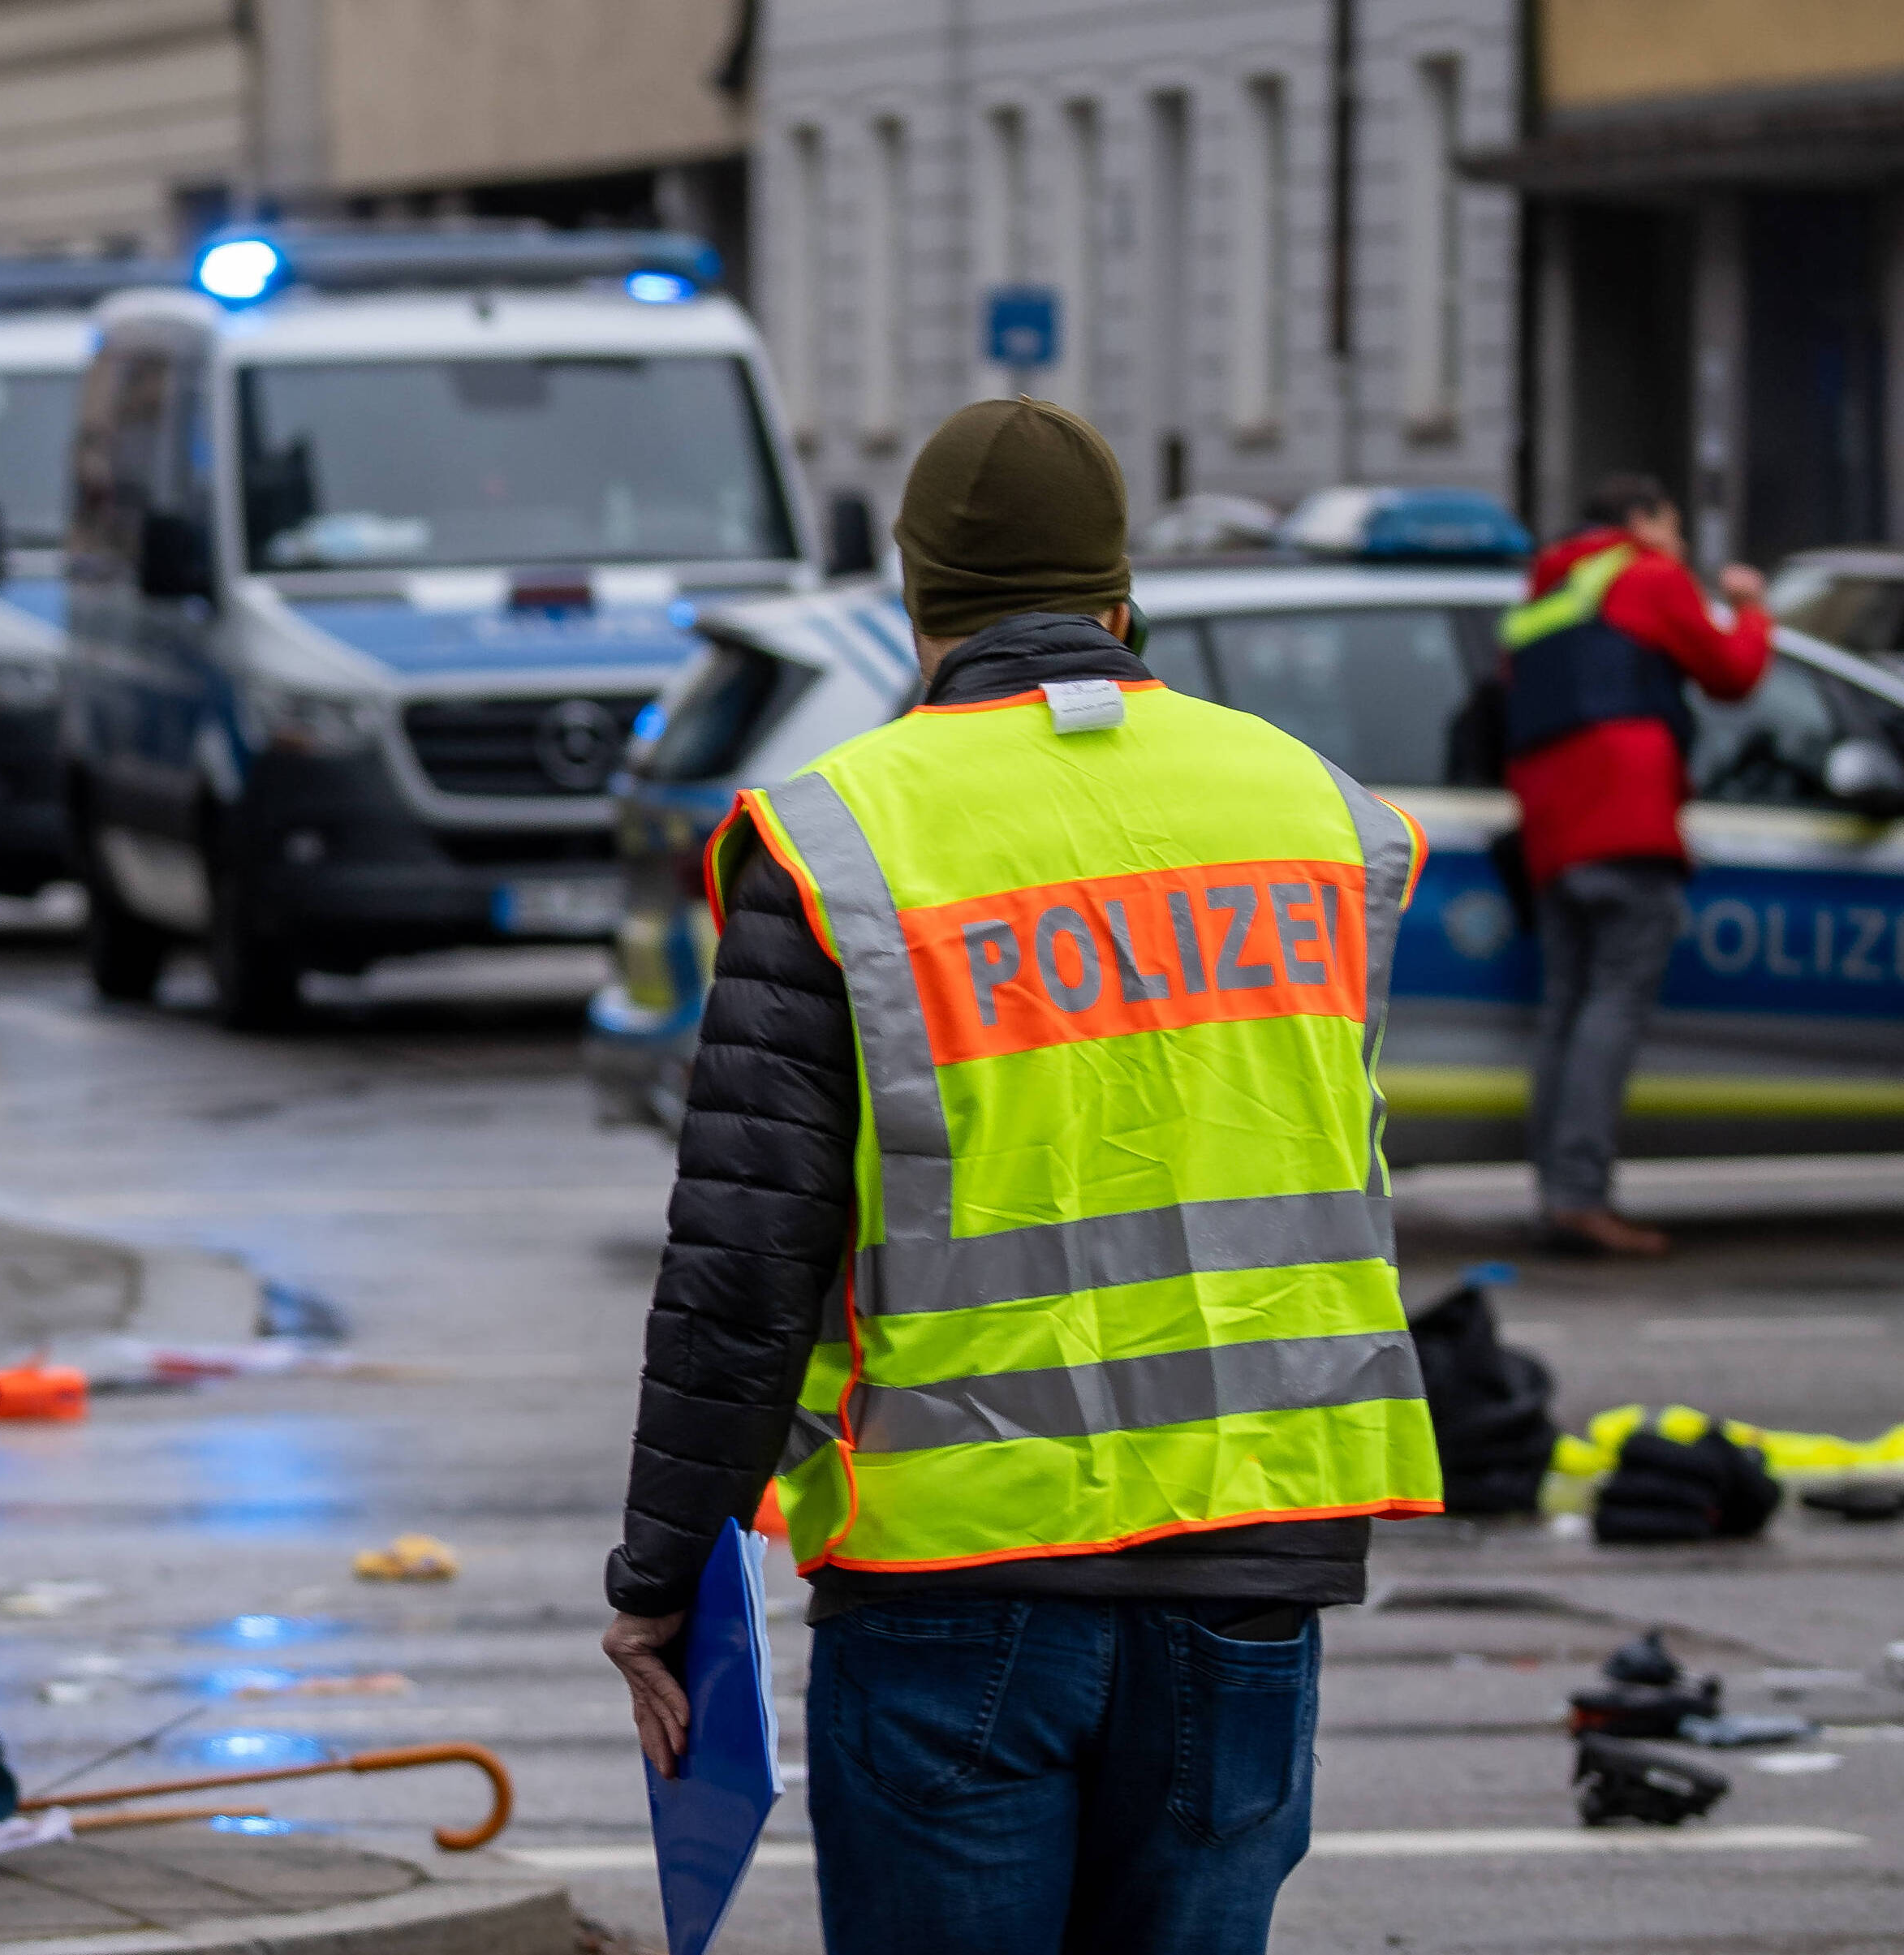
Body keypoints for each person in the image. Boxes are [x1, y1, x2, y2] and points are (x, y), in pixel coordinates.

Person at [599, 400, 1444, 1955]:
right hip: (1248, 1567)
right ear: (1122, 601)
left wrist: (660, 1573)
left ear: (917, 608)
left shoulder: (838, 843)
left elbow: (743, 1253)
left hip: (955, 1579)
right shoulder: (1325, 821)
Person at [1502, 473, 1768, 1256]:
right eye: (1675, 527)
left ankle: (1558, 1191)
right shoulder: (1647, 576)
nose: (1680, 545)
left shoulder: (1546, 594)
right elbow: (1732, 673)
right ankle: (1582, 1196)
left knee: (1568, 1008)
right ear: (1642, 522)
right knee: (1610, 1009)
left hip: (1550, 826)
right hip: (1628, 820)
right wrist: (1751, 605)